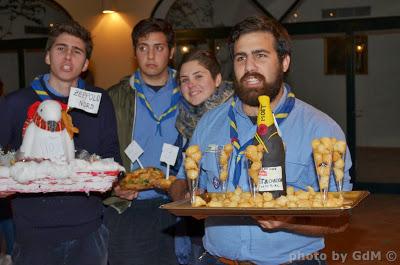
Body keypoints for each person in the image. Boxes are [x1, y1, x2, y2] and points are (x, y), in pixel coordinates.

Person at [171, 15, 352, 265]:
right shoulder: (209, 123)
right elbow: (181, 181)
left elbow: (340, 220)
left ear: (284, 62)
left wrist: (290, 220)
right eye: (240, 57)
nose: (249, 67)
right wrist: (189, 199)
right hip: (216, 260)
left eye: (261, 55)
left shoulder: (321, 129)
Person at [0, 20, 120, 265]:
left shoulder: (99, 100)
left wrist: (112, 178)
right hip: (33, 232)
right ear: (47, 56)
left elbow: (112, 155)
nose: (68, 56)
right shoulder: (16, 102)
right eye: (60, 48)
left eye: (77, 51)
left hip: (89, 231)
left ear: (86, 64)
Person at [104, 18, 180, 265]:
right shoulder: (116, 95)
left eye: (158, 47)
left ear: (171, 52)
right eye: (143, 47)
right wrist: (113, 185)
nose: (150, 55)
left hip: (179, 205)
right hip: (130, 208)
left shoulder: (190, 91)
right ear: (134, 52)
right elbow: (101, 149)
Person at [172, 50, 234, 265]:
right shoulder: (185, 119)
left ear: (218, 79)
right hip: (205, 230)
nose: (191, 85)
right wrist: (184, 192)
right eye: (184, 80)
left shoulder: (239, 114)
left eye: (199, 76)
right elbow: (183, 176)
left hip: (238, 231)